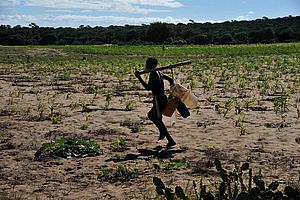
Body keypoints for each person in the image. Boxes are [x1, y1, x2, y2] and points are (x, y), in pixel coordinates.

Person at [134, 57, 176, 149]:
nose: (147, 66)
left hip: (158, 99)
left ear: (154, 65)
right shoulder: (159, 72)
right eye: (147, 64)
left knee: (157, 119)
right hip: (162, 98)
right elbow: (169, 79)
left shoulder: (153, 74)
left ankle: (170, 140)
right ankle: (163, 133)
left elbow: (148, 88)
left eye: (149, 64)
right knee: (150, 115)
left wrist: (139, 78)